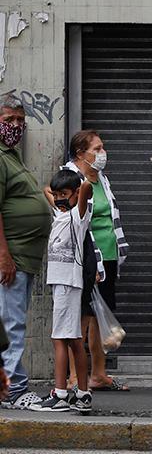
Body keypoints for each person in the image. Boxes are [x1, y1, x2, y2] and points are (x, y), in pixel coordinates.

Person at [59, 130, 129, 392]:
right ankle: (76, 376)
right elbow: (65, 216)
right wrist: (92, 261)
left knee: (101, 317)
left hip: (109, 256)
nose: (102, 154)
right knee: (83, 318)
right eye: (96, 149)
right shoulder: (70, 179)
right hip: (88, 258)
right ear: (80, 154)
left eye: (103, 148)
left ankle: (98, 374)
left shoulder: (101, 179)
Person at [0, 96, 52, 409]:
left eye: (20, 120)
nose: (16, 126)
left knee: (10, 323)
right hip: (13, 258)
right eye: (9, 120)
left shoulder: (11, 157)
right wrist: (3, 256)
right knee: (13, 325)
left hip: (22, 258)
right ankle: (15, 392)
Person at [29, 170, 93, 413]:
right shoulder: (61, 214)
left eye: (63, 195)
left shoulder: (79, 216)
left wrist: (79, 188)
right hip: (61, 284)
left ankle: (61, 394)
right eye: (57, 196)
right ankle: (83, 394)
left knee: (59, 339)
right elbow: (48, 189)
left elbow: (87, 187)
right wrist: (60, 193)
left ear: (75, 195)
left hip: (68, 284)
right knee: (75, 340)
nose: (58, 199)